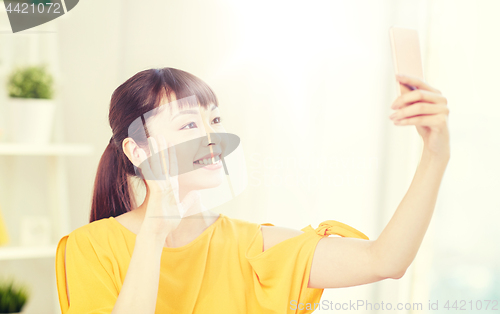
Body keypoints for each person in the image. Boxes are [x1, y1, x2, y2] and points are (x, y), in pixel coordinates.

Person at [55, 68, 450, 314]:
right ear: (138, 148)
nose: (213, 138)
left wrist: (435, 155)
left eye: (215, 120)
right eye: (190, 125)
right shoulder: (89, 248)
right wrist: (155, 231)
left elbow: (386, 261)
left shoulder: (250, 246)